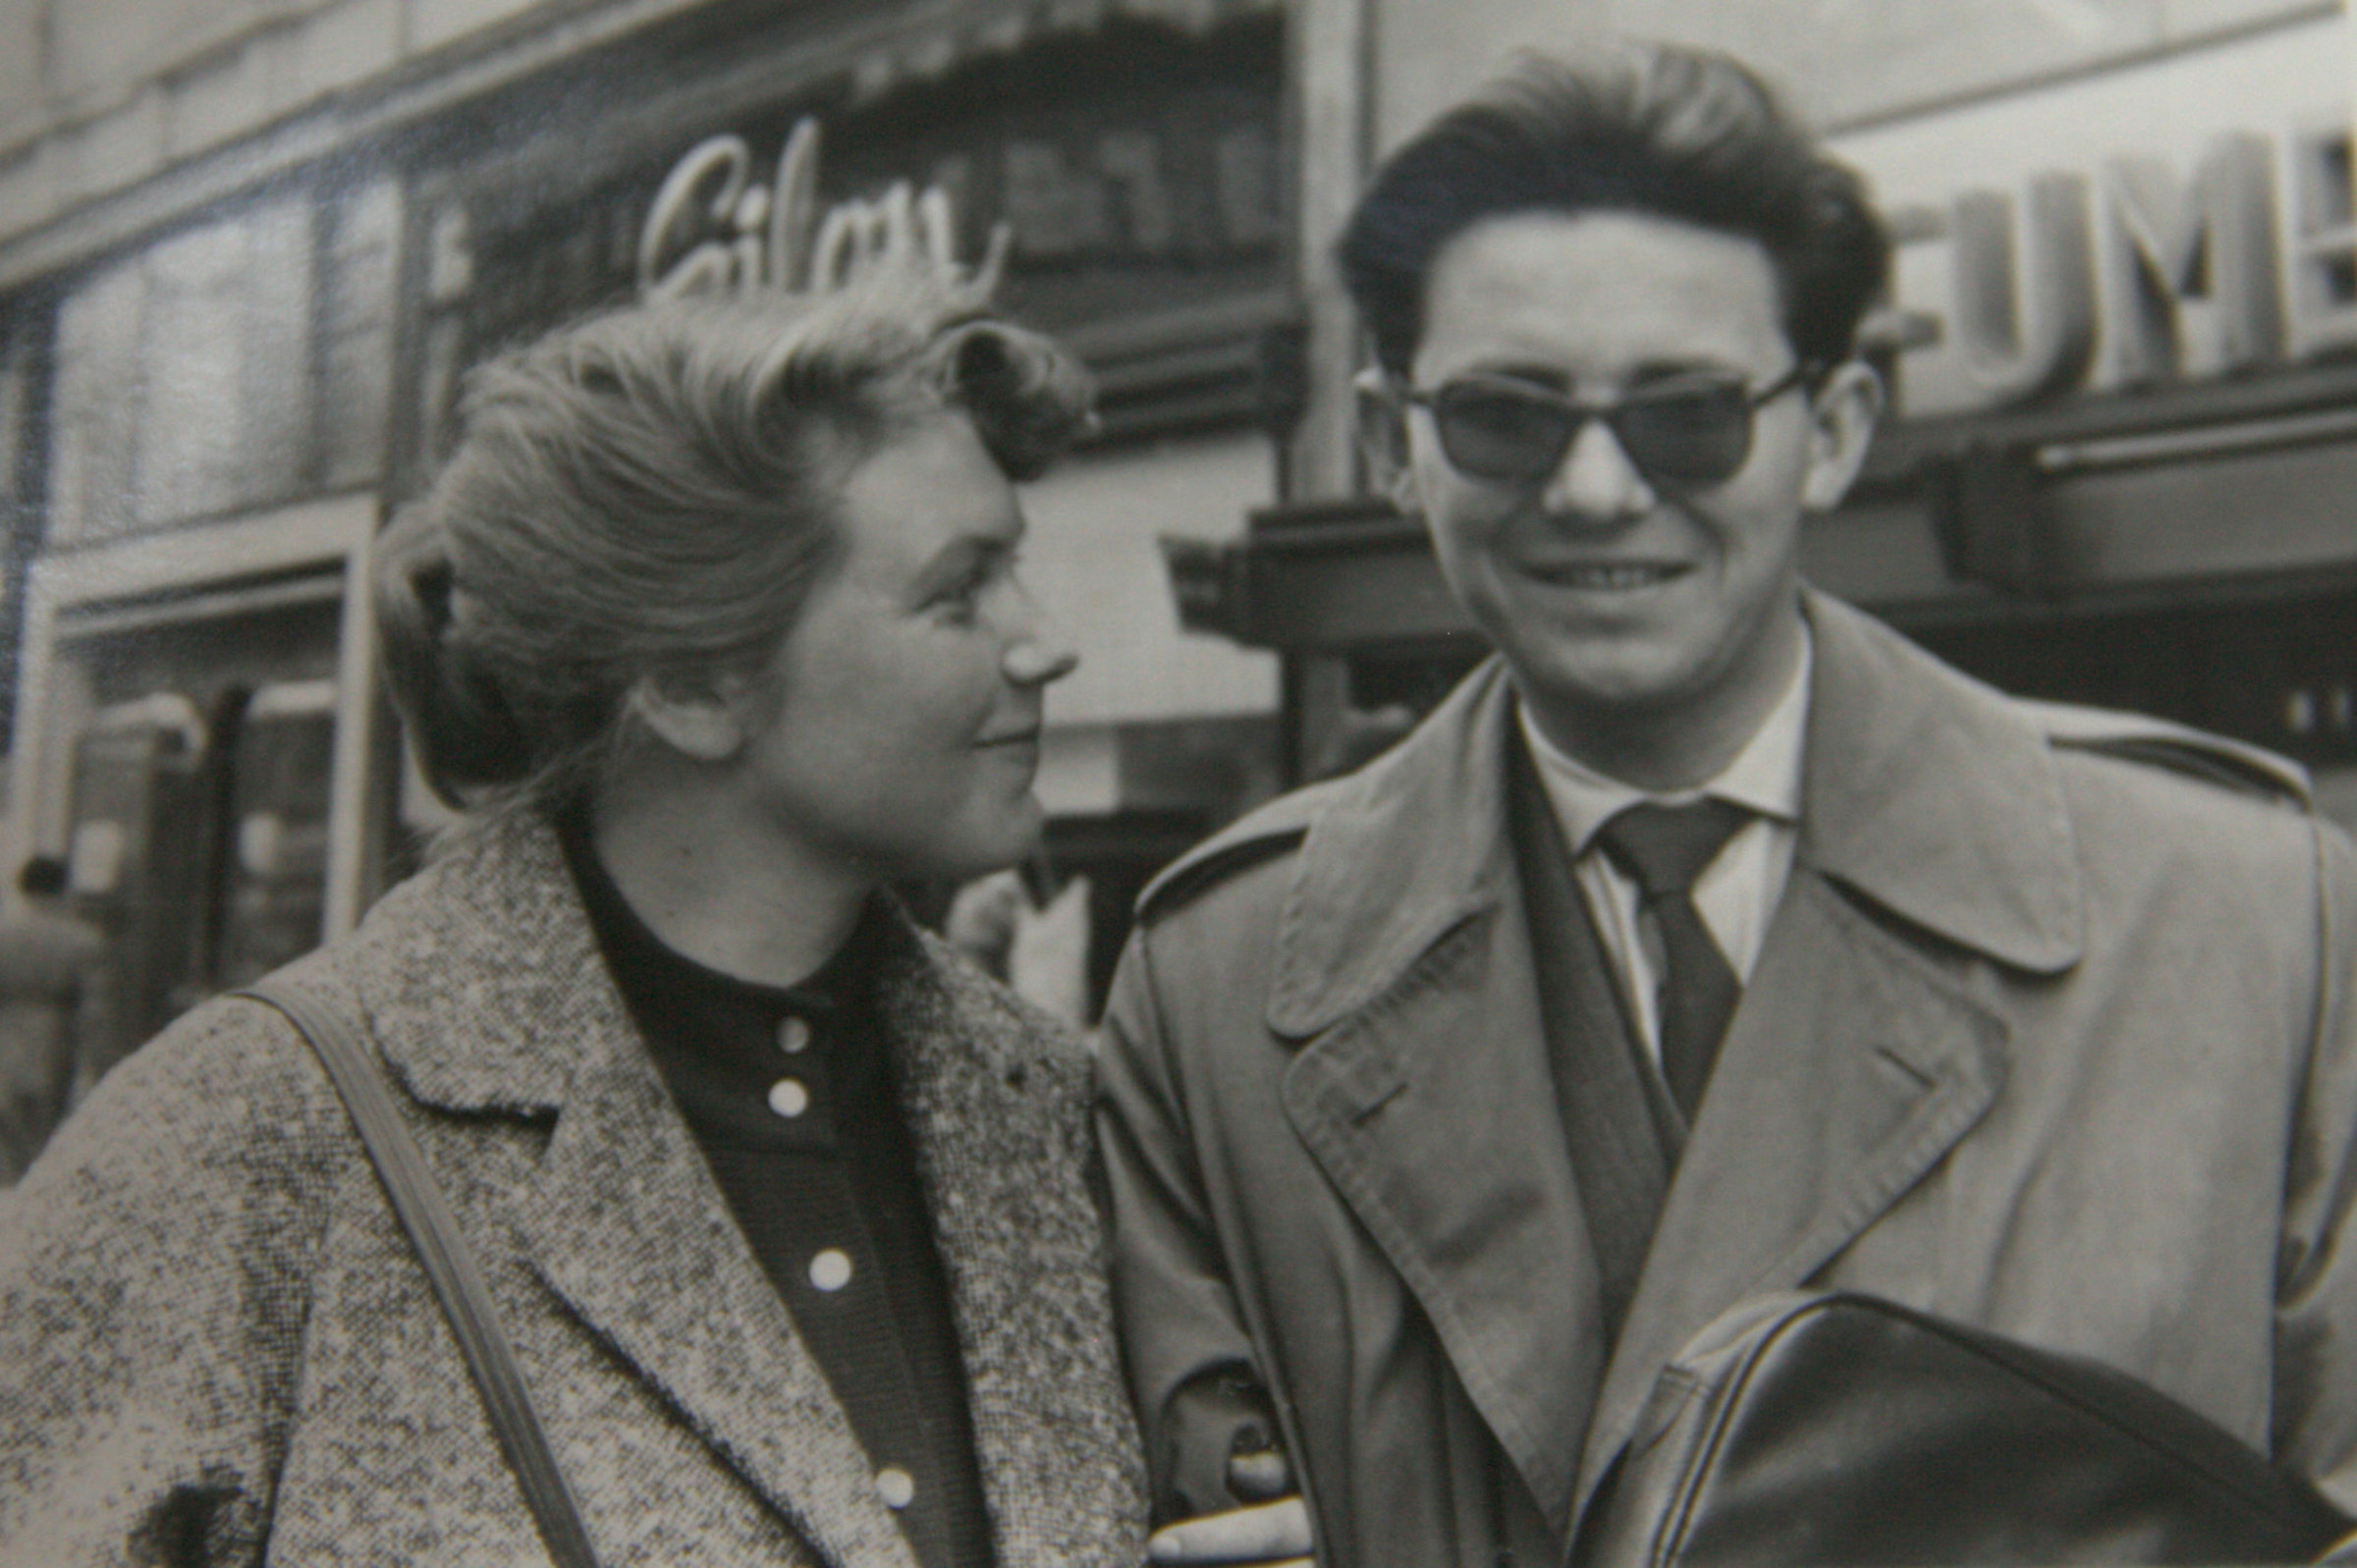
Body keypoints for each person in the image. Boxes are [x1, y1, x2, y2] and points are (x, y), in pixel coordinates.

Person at [1095, 39, 2357, 1568]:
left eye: (1688, 414)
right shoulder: (1218, 989)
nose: (1595, 490)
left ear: (1836, 430)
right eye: (1505, 415)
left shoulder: (2250, 916)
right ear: (1389, 445)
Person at [0, 276, 1150, 1565]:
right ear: (692, 681)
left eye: (1014, 569)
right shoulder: (243, 1141)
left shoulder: (1047, 1111)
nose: (1045, 643)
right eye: (958, 592)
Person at [0, 855, 105, 1186]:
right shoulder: (82, 939)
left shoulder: (5, 936)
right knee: (47, 1130)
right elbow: (92, 1007)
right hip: (55, 1036)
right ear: (63, 889)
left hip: (7, 1035)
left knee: (10, 1127)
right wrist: (92, 1061)